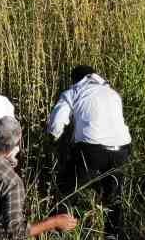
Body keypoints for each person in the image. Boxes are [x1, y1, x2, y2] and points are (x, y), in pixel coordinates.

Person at [45, 66, 133, 208]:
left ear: (75, 80)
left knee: (67, 192)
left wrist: (53, 141)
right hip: (122, 150)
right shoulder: (113, 93)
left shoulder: (73, 92)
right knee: (113, 199)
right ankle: (113, 221)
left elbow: (56, 125)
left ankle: (62, 217)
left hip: (91, 150)